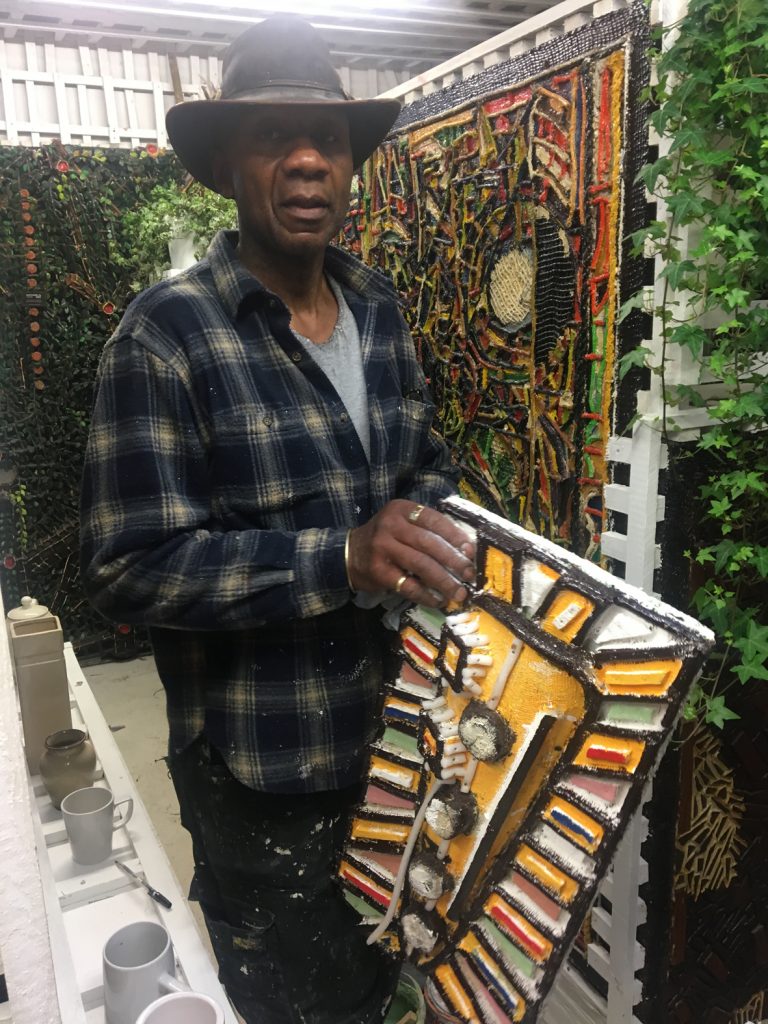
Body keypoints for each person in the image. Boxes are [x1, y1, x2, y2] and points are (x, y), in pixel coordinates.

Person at [80, 15, 474, 1024]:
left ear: (350, 166)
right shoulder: (167, 335)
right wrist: (339, 557)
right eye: (273, 137)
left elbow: (423, 468)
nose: (307, 161)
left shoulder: (378, 310)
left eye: (328, 139)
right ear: (227, 165)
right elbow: (131, 563)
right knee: (298, 1001)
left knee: (390, 978)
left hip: (401, 743)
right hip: (267, 779)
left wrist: (448, 529)